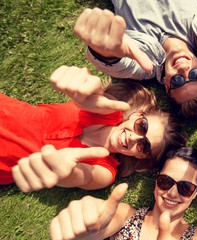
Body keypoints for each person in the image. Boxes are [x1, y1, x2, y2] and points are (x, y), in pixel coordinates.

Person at [1, 66, 186, 192]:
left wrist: (66, 173)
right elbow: (93, 98)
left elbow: (83, 177)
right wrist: (86, 86)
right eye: (142, 126)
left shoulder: (105, 171)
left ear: (141, 156)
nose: (133, 138)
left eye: (144, 146)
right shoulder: (107, 110)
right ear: (137, 116)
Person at [73, 0, 197, 117]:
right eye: (196, 75)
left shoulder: (145, 65)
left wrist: (105, 52)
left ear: (165, 84)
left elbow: (121, 65)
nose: (184, 70)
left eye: (179, 81)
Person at [50, 147, 197, 240]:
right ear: (156, 180)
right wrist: (88, 225)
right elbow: (98, 228)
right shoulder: (127, 215)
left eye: (185, 187)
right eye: (166, 181)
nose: (172, 192)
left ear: (196, 191)